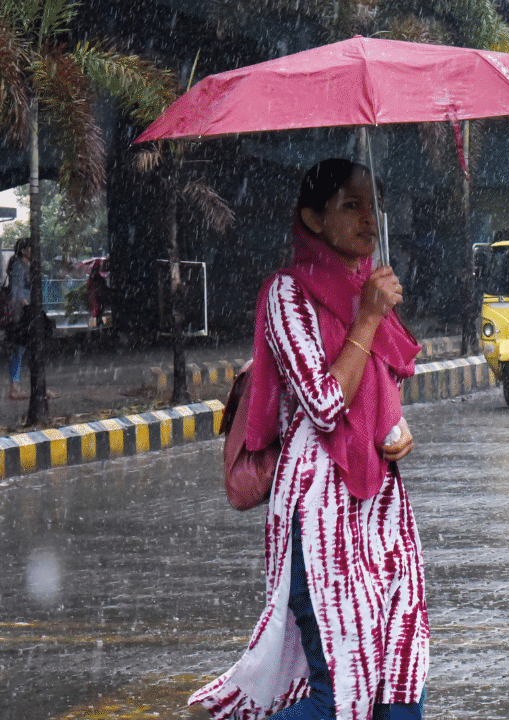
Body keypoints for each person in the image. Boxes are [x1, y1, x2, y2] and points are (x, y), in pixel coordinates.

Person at [189, 159, 428, 720]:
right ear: (312, 219)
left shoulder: (371, 288)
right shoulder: (287, 295)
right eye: (351, 206)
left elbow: (382, 392)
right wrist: (366, 318)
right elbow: (324, 404)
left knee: (401, 677)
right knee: (342, 697)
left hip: (383, 507)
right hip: (320, 507)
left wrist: (400, 428)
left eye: (373, 205)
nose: (369, 218)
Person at [6, 237, 32, 400]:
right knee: (18, 349)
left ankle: (20, 386)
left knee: (22, 349)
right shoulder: (18, 266)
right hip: (21, 313)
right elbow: (16, 291)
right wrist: (26, 304)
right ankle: (14, 388)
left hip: (26, 312)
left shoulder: (27, 266)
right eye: (31, 248)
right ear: (24, 251)